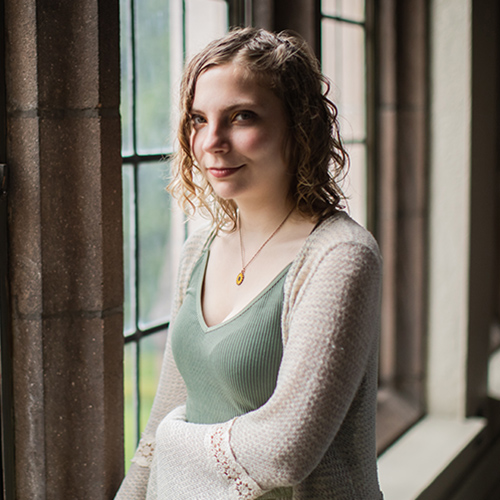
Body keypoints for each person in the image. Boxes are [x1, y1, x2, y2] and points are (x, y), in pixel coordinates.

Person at [115, 27, 383, 500]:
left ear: (299, 124)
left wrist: (176, 439)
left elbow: (286, 449)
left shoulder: (341, 257)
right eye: (198, 119)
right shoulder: (200, 248)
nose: (212, 141)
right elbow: (165, 416)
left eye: (241, 117)